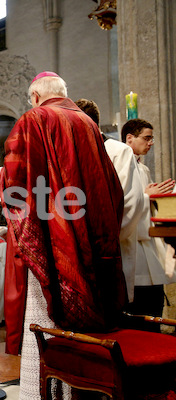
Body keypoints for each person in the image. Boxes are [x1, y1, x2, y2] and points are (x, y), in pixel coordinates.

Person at [0, 71, 125, 400]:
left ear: (34, 97)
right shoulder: (88, 124)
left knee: (43, 325)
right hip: (88, 247)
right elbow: (110, 189)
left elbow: (20, 185)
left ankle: (41, 393)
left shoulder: (35, 118)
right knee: (77, 339)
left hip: (54, 245)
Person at [75, 99, 146, 306]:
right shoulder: (71, 150)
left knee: (112, 309)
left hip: (111, 249)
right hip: (80, 250)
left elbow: (132, 203)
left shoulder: (118, 151)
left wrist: (105, 240)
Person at [122, 118, 175, 331]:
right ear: (129, 138)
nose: (151, 142)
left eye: (152, 138)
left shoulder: (142, 169)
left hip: (148, 240)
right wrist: (145, 195)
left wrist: (153, 196)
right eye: (147, 138)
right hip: (131, 241)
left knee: (155, 305)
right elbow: (121, 204)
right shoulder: (119, 163)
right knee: (139, 312)